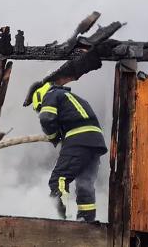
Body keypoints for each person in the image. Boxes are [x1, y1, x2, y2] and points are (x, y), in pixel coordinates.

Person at [29, 79, 108, 222]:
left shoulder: (51, 94)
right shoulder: (72, 98)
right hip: (95, 143)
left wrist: (53, 137)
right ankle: (86, 221)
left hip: (78, 139)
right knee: (85, 183)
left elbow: (46, 118)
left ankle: (61, 218)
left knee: (58, 179)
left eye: (39, 108)